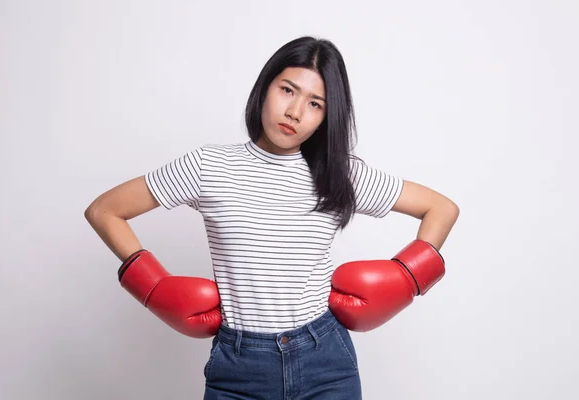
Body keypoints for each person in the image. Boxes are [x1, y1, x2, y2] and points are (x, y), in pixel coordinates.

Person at [84, 36, 460, 399]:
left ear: (327, 116)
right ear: (266, 87)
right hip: (238, 367)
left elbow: (441, 208)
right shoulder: (208, 167)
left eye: (316, 104)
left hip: (325, 360)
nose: (295, 112)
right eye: (288, 90)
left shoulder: (337, 174)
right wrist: (154, 286)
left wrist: (407, 278)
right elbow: (105, 210)